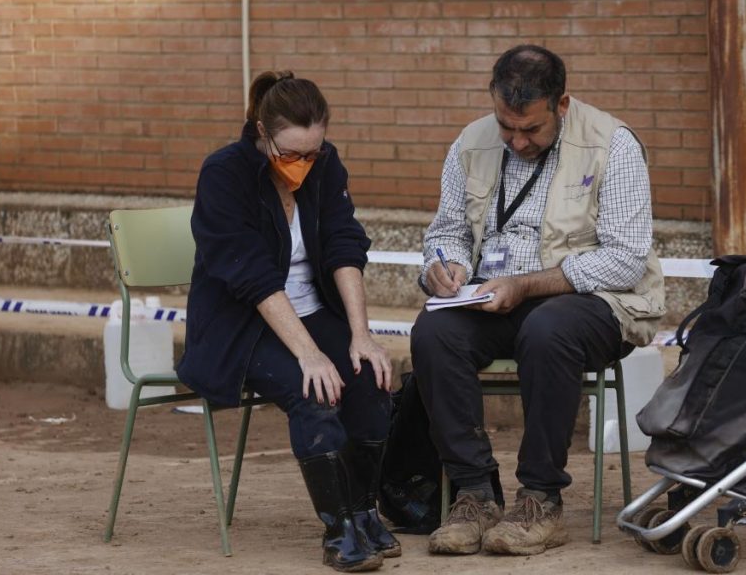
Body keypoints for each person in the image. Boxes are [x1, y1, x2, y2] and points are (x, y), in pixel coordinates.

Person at [411, 45, 665, 556]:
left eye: (530, 129)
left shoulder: (612, 144)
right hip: (492, 296)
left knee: (548, 329)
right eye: (507, 126)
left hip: (594, 302)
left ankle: (540, 499)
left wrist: (526, 284)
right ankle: (475, 493)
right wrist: (444, 265)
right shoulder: (471, 141)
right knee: (433, 333)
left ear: (562, 105)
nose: (517, 141)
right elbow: (447, 231)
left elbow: (624, 261)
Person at [176, 71, 398, 572]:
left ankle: (364, 511)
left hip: (312, 310)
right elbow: (250, 275)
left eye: (312, 153)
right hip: (241, 326)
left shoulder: (325, 164)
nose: (302, 165)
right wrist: (308, 353)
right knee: (315, 389)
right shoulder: (224, 173)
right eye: (290, 154)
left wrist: (362, 335)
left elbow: (345, 244)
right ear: (262, 132)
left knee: (370, 379)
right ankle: (338, 528)